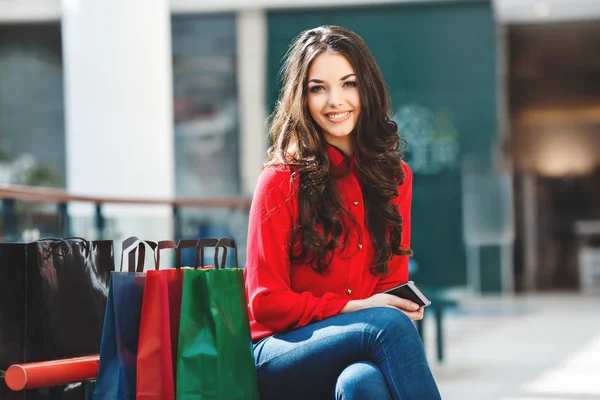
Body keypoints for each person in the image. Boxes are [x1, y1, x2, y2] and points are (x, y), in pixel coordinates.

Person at [244, 25, 441, 400]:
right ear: (301, 98)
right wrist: (361, 308)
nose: (335, 100)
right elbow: (265, 303)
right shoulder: (281, 179)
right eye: (318, 88)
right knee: (386, 325)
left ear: (366, 88)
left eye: (348, 83)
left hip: (360, 343)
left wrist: (392, 305)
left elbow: (391, 285)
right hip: (279, 350)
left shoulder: (395, 178)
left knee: (362, 383)